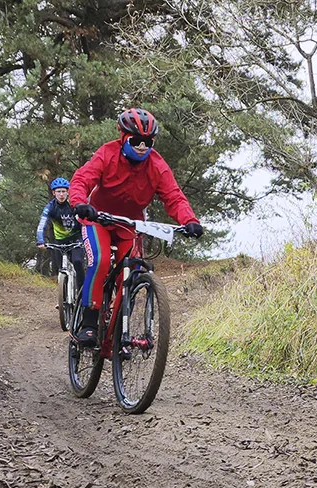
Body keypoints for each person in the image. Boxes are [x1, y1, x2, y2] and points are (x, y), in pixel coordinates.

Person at [68, 108, 203, 345]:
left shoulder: (157, 165)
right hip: (97, 219)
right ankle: (89, 322)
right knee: (99, 261)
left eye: (147, 142)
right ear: (123, 138)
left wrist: (190, 220)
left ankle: (121, 325)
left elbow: (174, 196)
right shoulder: (106, 153)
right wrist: (80, 202)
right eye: (136, 141)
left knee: (131, 274)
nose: (142, 147)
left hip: (129, 225)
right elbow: (82, 178)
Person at [36, 177, 82, 274]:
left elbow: (84, 218)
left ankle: (82, 289)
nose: (61, 194)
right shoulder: (50, 207)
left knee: (77, 262)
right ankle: (64, 287)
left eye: (63, 191)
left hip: (76, 238)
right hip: (60, 240)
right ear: (54, 193)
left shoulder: (73, 204)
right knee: (60, 268)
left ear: (67, 192)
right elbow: (42, 223)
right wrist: (40, 240)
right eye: (58, 191)